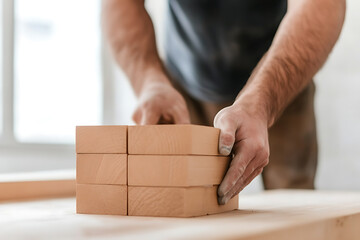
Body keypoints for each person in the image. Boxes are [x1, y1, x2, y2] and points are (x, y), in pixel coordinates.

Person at [102, 0, 345, 205]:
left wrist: (261, 103)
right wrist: (149, 80)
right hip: (182, 89)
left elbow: (322, 5)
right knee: (179, 205)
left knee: (294, 206)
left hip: (280, 78)